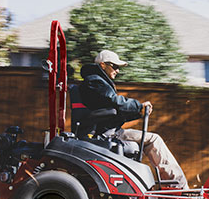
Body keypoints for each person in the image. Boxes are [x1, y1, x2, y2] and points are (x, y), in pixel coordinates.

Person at [74, 49, 188, 189]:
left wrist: (138, 112)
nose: (117, 70)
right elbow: (114, 101)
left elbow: (113, 110)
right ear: (103, 65)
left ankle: (174, 185)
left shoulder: (97, 82)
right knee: (153, 139)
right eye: (114, 66)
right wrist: (138, 105)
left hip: (109, 129)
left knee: (152, 139)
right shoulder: (95, 82)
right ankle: (179, 187)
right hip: (106, 133)